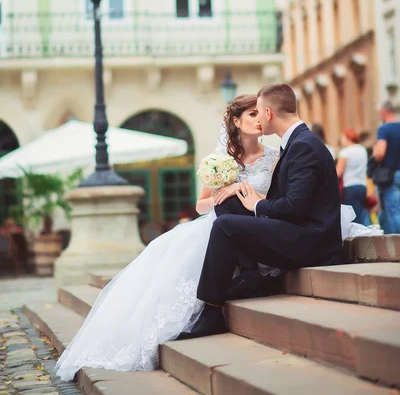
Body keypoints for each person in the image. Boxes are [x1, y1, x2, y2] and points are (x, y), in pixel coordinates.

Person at [55, 94, 280, 380]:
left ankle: (245, 275)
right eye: (251, 114)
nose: (259, 120)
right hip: (220, 223)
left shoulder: (274, 157)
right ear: (236, 121)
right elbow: (201, 205)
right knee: (172, 253)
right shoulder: (220, 160)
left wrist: (250, 195)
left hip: (257, 221)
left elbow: (277, 199)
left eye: (260, 114)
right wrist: (223, 193)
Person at [180, 83, 343, 340]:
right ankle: (249, 277)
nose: (257, 118)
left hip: (313, 241)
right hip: (300, 230)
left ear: (268, 113)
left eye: (258, 111)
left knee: (224, 226)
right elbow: (291, 204)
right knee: (226, 202)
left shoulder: (303, 146)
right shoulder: (298, 143)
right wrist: (245, 197)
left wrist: (256, 203)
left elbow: (294, 208)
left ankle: (213, 312)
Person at [373, 101, 400, 234]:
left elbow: (380, 153)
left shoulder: (384, 129)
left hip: (390, 175)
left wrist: (375, 152)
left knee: (394, 211)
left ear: (384, 111)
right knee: (384, 214)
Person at [336, 129, 370, 226]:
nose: (341, 140)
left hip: (350, 186)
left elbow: (338, 172)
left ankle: (357, 237)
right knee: (362, 212)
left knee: (354, 216)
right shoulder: (362, 150)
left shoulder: (345, 152)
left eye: (342, 138)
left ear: (347, 138)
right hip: (362, 185)